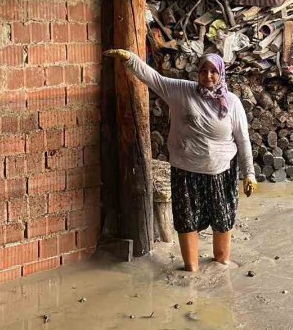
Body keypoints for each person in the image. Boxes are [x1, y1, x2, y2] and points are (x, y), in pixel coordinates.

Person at [104, 48, 257, 272]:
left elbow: (243, 140)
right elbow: (153, 78)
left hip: (221, 171)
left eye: (213, 71)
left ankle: (222, 265)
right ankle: (191, 269)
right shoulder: (181, 91)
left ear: (221, 74)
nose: (208, 76)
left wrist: (249, 174)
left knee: (223, 219)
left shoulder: (232, 103)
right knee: (187, 220)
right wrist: (130, 59)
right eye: (203, 71)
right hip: (185, 171)